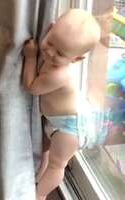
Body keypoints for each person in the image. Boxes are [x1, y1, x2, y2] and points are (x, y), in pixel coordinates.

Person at [22, 9, 102, 200]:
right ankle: (36, 179)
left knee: (57, 165)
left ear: (76, 59)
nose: (50, 53)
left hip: (70, 128)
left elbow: (32, 87)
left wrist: (31, 57)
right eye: (50, 43)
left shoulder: (60, 74)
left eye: (60, 53)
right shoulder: (53, 58)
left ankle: (39, 196)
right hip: (57, 120)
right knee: (45, 153)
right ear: (49, 29)